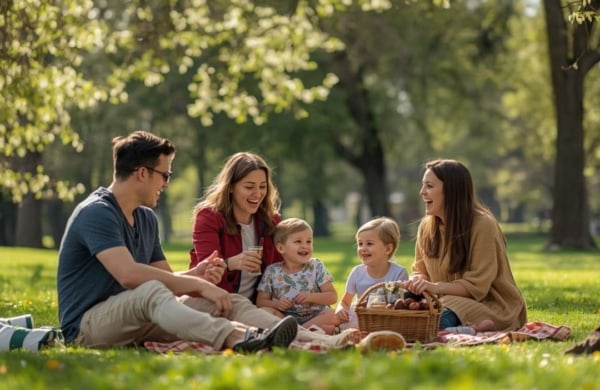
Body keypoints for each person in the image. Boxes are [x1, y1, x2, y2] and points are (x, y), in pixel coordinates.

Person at [56, 131, 356, 353]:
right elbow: (130, 275)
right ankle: (238, 338)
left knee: (225, 301)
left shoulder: (146, 219)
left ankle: (322, 342)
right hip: (88, 326)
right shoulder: (97, 213)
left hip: (138, 317)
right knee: (154, 291)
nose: (168, 183)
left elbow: (170, 280)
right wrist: (200, 284)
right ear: (143, 173)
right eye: (165, 174)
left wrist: (197, 277)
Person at [404, 159, 527, 332]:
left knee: (433, 322)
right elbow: (420, 270)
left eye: (429, 186)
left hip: (488, 305)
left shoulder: (483, 225)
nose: (422, 192)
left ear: (451, 191)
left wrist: (434, 287)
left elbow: (477, 286)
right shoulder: (426, 227)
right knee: (401, 312)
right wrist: (417, 282)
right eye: (423, 185)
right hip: (442, 301)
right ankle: (464, 329)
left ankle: (466, 329)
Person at [189, 152, 282, 303]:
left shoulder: (271, 221)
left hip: (258, 304)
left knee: (326, 318)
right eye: (249, 186)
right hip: (215, 300)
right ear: (231, 187)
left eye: (263, 186)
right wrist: (231, 263)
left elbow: (282, 267)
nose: (257, 194)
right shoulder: (209, 217)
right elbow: (206, 269)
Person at [256, 218, 340, 334]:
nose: (305, 246)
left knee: (333, 314)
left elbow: (332, 297)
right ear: (281, 248)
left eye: (309, 241)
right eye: (298, 241)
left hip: (315, 317)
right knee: (264, 311)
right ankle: (310, 332)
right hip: (285, 319)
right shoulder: (272, 271)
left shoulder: (316, 266)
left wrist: (311, 297)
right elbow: (261, 301)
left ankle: (298, 332)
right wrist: (276, 304)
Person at [335, 217, 409, 330]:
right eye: (360, 244)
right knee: (333, 317)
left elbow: (398, 305)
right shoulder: (357, 272)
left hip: (388, 318)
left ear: (388, 249)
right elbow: (345, 302)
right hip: (363, 317)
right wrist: (341, 309)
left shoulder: (398, 273)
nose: (363, 248)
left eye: (369, 244)